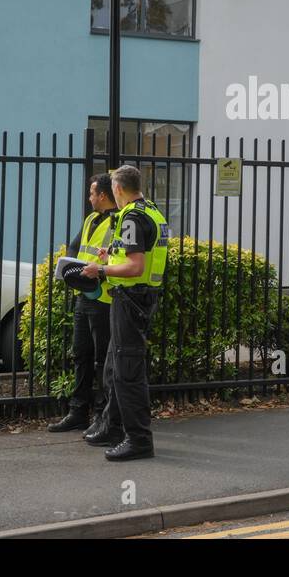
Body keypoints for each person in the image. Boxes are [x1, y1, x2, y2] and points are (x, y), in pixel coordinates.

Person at [80, 164, 169, 461]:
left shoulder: (131, 216)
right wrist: (111, 255)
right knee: (113, 368)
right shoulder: (151, 210)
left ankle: (139, 440)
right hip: (136, 299)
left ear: (117, 189)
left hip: (131, 299)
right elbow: (134, 254)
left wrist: (101, 269)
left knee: (127, 372)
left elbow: (136, 267)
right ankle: (112, 426)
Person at [47, 173, 118, 433]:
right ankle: (78, 412)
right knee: (81, 355)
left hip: (105, 298)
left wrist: (101, 265)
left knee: (102, 360)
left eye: (92, 193)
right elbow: (74, 248)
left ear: (102, 195)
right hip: (84, 296)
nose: (89, 197)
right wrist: (69, 267)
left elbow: (120, 258)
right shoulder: (91, 219)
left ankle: (101, 415)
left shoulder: (118, 221)